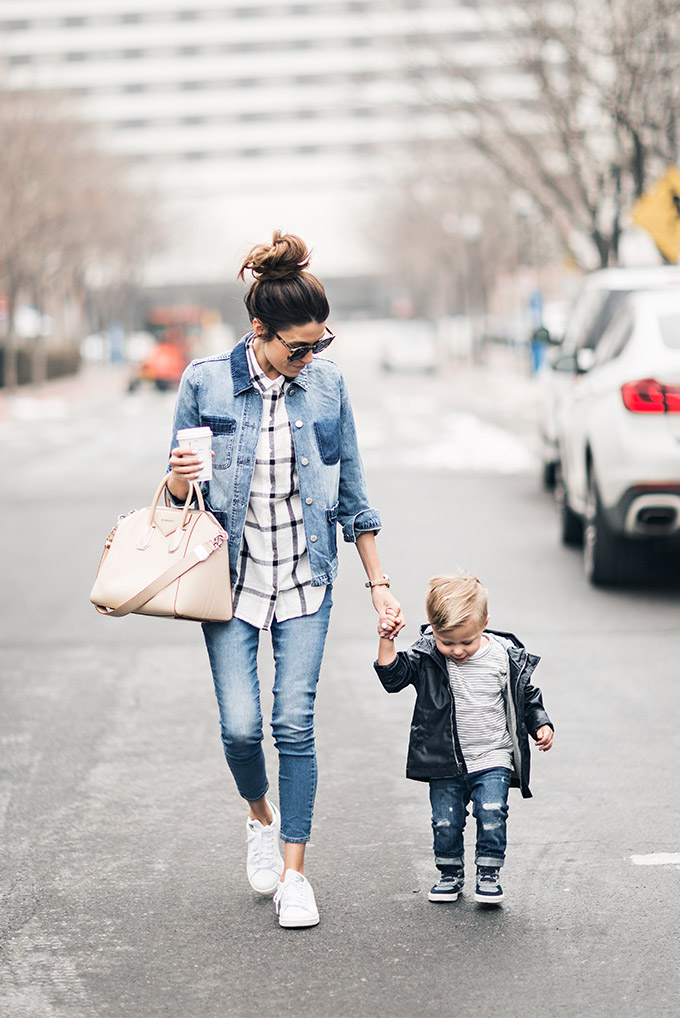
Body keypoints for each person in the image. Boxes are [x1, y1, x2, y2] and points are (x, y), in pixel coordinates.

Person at [167, 231, 403, 928]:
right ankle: (258, 816)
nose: (310, 358)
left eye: (320, 345)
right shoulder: (205, 382)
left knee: (292, 724)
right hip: (229, 583)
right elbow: (180, 501)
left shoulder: (327, 386)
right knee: (241, 730)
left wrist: (378, 583)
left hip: (306, 579)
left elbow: (353, 490)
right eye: (298, 347)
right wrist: (180, 482)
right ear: (259, 332)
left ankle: (295, 875)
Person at [374, 570, 553, 905]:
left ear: (485, 622)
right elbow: (393, 678)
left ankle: (488, 873)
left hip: (493, 756)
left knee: (492, 811)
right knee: (445, 821)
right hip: (446, 760)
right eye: (448, 642)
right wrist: (387, 639)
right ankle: (450, 874)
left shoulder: (504, 655)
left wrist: (540, 724)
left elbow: (526, 696)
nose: (457, 651)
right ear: (432, 627)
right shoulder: (427, 655)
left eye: (466, 642)